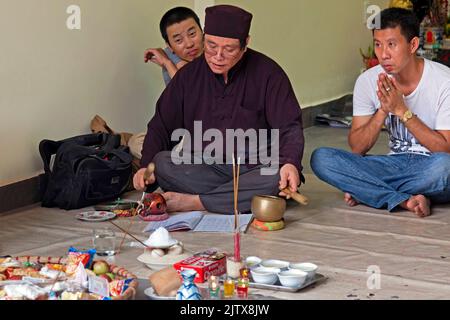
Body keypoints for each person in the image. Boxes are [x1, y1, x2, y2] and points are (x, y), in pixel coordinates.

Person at [133, 5, 305, 215]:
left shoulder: (269, 74)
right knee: (162, 163)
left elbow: (290, 127)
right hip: (207, 167)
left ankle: (197, 202)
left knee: (275, 177)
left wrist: (290, 163)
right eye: (211, 46)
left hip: (255, 167)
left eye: (229, 49)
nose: (218, 56)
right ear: (205, 38)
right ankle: (235, 197)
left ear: (245, 44)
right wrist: (146, 167)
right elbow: (161, 124)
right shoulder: (188, 77)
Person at [311, 8, 450, 218]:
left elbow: (445, 150)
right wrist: (383, 111)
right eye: (378, 44)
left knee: (445, 168)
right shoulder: (367, 81)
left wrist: (401, 110)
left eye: (392, 45)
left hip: (433, 166)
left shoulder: (443, 82)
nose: (383, 54)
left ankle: (368, 189)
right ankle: (404, 198)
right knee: (321, 158)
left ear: (412, 45)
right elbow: (358, 148)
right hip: (393, 164)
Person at [91, 7, 204, 159]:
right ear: (170, 46)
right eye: (178, 40)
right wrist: (169, 63)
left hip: (209, 130)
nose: (189, 44)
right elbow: (179, 105)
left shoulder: (216, 57)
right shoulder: (173, 59)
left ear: (202, 31)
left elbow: (195, 101)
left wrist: (166, 63)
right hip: (182, 130)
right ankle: (123, 140)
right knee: (137, 143)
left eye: (192, 34)